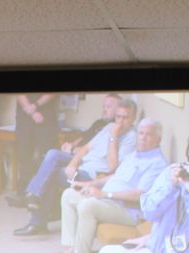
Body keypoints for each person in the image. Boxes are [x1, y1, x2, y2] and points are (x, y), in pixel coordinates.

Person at [49, 117, 168, 253]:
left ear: (158, 139)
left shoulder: (157, 163)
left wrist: (104, 193)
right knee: (69, 195)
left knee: (88, 206)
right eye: (140, 133)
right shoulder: (135, 154)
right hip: (109, 201)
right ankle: (73, 249)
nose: (143, 138)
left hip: (128, 211)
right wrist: (90, 184)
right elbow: (113, 177)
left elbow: (139, 195)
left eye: (148, 134)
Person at [12, 95, 134, 236]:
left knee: (50, 173)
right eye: (118, 117)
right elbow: (86, 148)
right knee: (52, 154)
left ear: (133, 119)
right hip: (82, 163)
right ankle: (33, 194)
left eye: (125, 118)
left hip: (92, 174)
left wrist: (114, 137)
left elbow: (113, 168)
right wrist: (73, 163)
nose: (121, 121)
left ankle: (37, 221)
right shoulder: (109, 127)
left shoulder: (131, 137)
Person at [9, 93, 58, 204]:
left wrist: (35, 106)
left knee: (45, 157)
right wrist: (32, 112)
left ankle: (41, 195)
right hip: (24, 114)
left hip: (46, 114)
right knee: (24, 156)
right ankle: (23, 193)